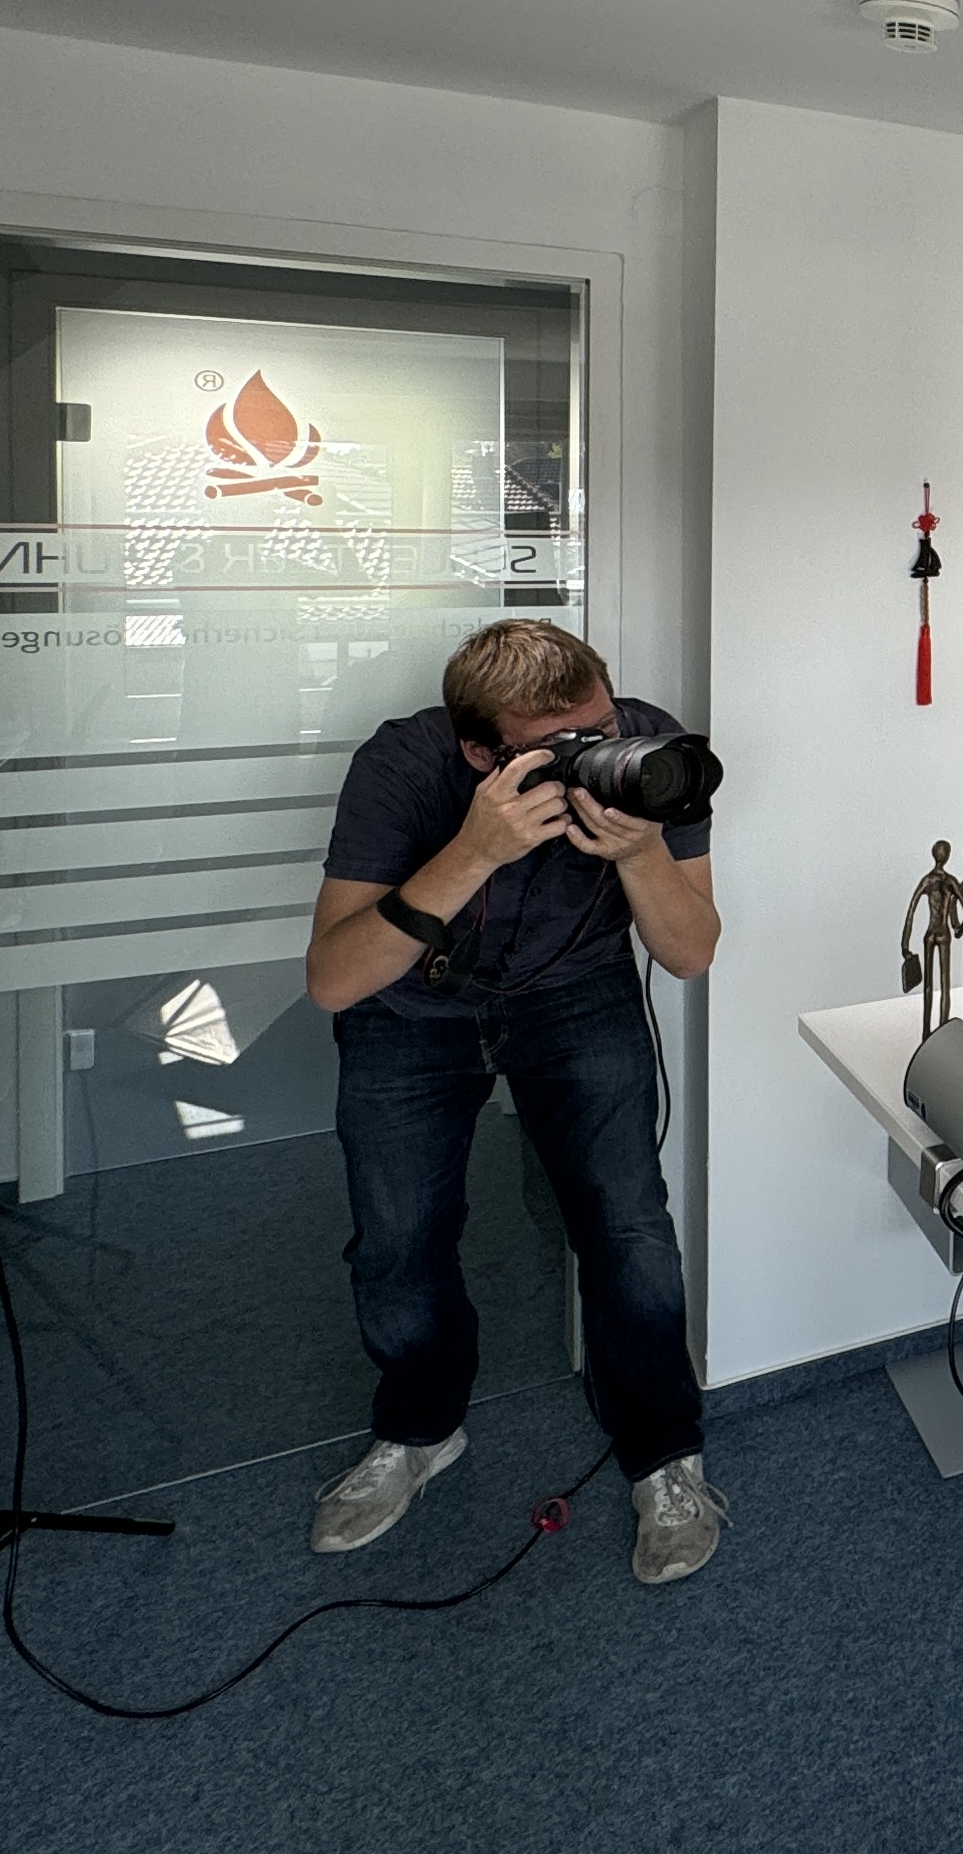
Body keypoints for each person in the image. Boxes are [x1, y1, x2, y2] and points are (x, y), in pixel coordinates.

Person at [302, 618, 729, 1579]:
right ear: (479, 751)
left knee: (628, 1228)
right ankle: (420, 1428)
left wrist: (639, 853)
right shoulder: (403, 766)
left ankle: (664, 1452)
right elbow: (333, 978)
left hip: (576, 994)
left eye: (598, 730)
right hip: (410, 1006)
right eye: (556, 749)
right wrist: (476, 849)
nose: (591, 758)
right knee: (399, 1236)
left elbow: (690, 951)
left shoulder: (651, 752)